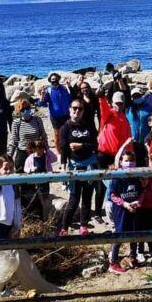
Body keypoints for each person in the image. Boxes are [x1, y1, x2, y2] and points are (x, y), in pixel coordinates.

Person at [58, 100, 98, 235]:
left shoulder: (89, 125)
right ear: (70, 110)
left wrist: (81, 145)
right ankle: (64, 227)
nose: (77, 111)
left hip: (89, 164)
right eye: (74, 108)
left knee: (87, 198)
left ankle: (84, 226)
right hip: (75, 165)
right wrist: (63, 167)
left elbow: (95, 145)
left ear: (83, 111)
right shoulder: (65, 127)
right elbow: (63, 148)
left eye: (80, 109)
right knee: (73, 199)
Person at [6, 98, 47, 171]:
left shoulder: (37, 120)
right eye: (22, 109)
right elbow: (14, 141)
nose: (25, 111)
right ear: (19, 111)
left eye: (27, 108)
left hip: (37, 152)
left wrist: (47, 150)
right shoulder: (16, 123)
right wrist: (9, 156)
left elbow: (43, 136)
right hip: (22, 153)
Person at [22, 136, 57, 219]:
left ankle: (46, 215)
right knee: (36, 198)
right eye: (39, 149)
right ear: (34, 149)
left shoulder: (46, 156)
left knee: (45, 197)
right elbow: (25, 169)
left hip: (45, 181)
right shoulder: (30, 158)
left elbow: (55, 159)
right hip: (35, 182)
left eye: (42, 149)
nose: (41, 151)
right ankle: (39, 214)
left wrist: (47, 149)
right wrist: (31, 169)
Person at [40, 73, 72, 152]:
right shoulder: (49, 90)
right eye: (52, 80)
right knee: (57, 135)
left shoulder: (64, 88)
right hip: (55, 117)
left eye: (56, 79)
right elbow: (42, 104)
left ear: (59, 79)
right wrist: (42, 95)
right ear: (50, 81)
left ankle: (68, 150)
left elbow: (70, 99)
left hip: (66, 115)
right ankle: (59, 152)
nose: (54, 81)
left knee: (67, 133)